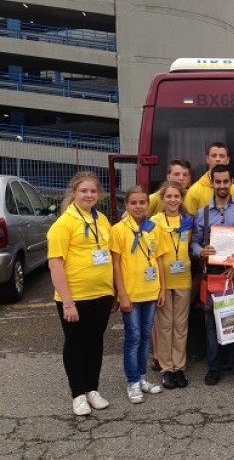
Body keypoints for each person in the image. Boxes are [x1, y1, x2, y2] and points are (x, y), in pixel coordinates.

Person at [47, 171, 115, 416]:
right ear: (74, 193)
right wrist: (67, 302)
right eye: (84, 191)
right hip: (75, 297)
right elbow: (55, 265)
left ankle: (92, 389)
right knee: (76, 344)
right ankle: (77, 394)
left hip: (102, 294)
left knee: (95, 342)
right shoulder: (63, 224)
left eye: (93, 191)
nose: (89, 195)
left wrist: (114, 292)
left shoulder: (102, 220)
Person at [191, 165, 234, 386]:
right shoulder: (203, 213)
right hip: (212, 273)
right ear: (212, 183)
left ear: (232, 181)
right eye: (218, 182)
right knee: (210, 323)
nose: (222, 186)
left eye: (226, 181)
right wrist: (200, 251)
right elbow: (194, 242)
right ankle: (214, 367)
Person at [111, 186, 168, 404]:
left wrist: (162, 288)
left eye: (142, 202)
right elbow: (115, 264)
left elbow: (159, 260)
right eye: (133, 203)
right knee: (133, 337)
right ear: (126, 205)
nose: (138, 206)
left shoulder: (154, 228)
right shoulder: (119, 230)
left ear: (148, 204)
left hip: (150, 291)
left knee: (145, 337)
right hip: (131, 294)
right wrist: (121, 294)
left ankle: (143, 377)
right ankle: (132, 381)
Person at [151, 181, 193, 389]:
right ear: (162, 198)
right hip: (163, 280)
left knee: (181, 324)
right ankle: (166, 368)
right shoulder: (155, 221)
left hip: (183, 278)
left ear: (182, 199)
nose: (173, 200)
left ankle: (179, 367)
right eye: (169, 196)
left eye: (176, 196)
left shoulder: (188, 221)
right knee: (164, 325)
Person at [184, 142, 234, 216]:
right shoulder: (194, 191)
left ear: (228, 160)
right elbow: (189, 221)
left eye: (222, 156)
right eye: (214, 156)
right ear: (207, 159)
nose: (218, 159)